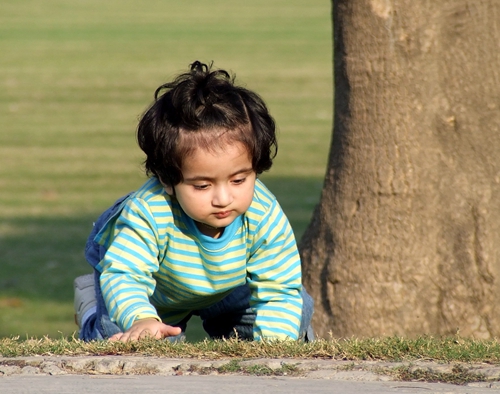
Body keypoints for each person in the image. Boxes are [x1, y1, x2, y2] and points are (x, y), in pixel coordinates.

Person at [74, 61, 314, 342]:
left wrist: (273, 351)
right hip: (154, 291)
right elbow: (126, 274)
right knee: (124, 337)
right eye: (202, 185)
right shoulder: (148, 212)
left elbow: (280, 289)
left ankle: (228, 322)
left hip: (228, 285)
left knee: (297, 310)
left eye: (239, 180)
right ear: (167, 180)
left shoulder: (263, 212)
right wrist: (141, 319)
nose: (223, 198)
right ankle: (92, 306)